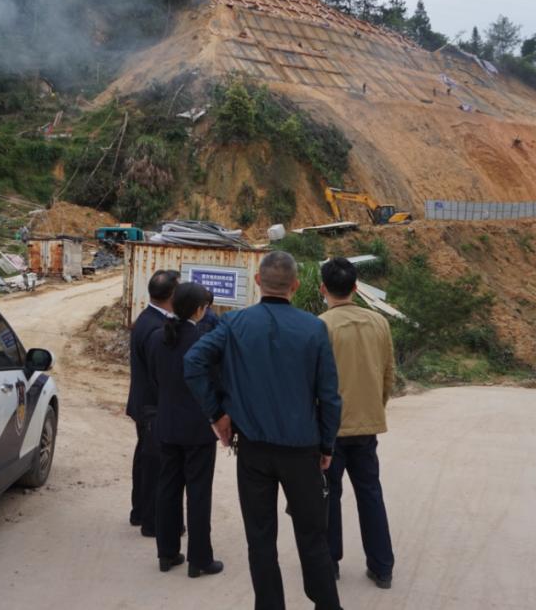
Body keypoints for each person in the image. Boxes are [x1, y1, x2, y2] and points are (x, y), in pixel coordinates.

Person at [185, 251, 343, 610]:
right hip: (303, 450)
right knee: (313, 537)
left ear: (258, 282)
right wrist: (328, 444)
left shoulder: (233, 325)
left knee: (260, 539)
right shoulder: (314, 328)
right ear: (296, 285)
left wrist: (217, 414)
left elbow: (193, 362)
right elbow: (329, 395)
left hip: (253, 451)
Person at [318, 258, 396, 589]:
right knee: (370, 494)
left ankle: (330, 563)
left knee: (328, 496)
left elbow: (313, 383)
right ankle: (382, 567)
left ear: (323, 289)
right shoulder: (379, 322)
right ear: (355, 287)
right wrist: (375, 407)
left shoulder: (320, 326)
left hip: (331, 430)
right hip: (367, 427)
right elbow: (388, 374)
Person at [150, 282, 224, 578]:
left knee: (167, 488)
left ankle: (166, 553)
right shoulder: (205, 341)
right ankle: (200, 560)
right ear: (199, 309)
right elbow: (215, 384)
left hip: (166, 423)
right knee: (198, 493)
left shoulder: (158, 337)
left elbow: (156, 380)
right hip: (197, 428)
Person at [127, 270, 180, 535]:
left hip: (144, 403)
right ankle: (152, 520)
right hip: (153, 407)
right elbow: (160, 373)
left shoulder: (146, 319)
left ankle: (139, 512)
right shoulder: (157, 328)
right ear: (171, 294)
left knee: (145, 460)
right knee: (156, 465)